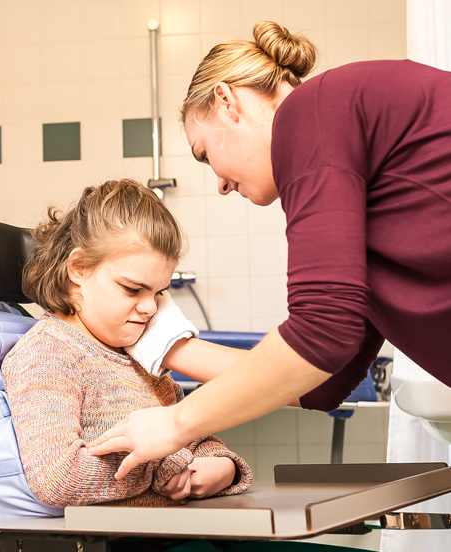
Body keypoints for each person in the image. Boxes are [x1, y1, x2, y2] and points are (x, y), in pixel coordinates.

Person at [88, 20, 451, 480]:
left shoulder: (311, 111)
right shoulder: (338, 144)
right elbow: (325, 381)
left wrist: (174, 424)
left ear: (227, 100)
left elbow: (321, 332)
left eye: (204, 154)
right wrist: (166, 345)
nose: (218, 183)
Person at [2, 178, 252, 509]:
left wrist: (223, 467)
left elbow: (193, 439)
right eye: (133, 289)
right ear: (79, 268)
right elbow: (58, 479)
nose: (150, 307)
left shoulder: (140, 352)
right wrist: (163, 465)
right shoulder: (48, 354)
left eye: (159, 292)